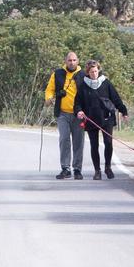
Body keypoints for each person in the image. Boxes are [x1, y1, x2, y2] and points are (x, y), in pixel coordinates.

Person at [75, 59, 129, 180]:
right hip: (91, 119)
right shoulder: (83, 85)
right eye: (91, 72)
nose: (94, 74)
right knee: (94, 145)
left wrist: (123, 111)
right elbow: (77, 102)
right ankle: (97, 171)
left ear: (98, 70)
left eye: (95, 71)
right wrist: (79, 111)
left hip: (106, 118)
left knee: (108, 143)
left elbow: (116, 99)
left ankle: (108, 168)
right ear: (87, 72)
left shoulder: (106, 83)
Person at [44, 50, 83, 179]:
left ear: (78, 61)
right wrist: (49, 98)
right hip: (62, 113)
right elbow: (49, 89)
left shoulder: (83, 75)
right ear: (65, 61)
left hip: (79, 114)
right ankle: (65, 168)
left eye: (74, 60)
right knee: (64, 139)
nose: (72, 63)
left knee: (78, 142)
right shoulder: (57, 74)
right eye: (69, 60)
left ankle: (77, 169)